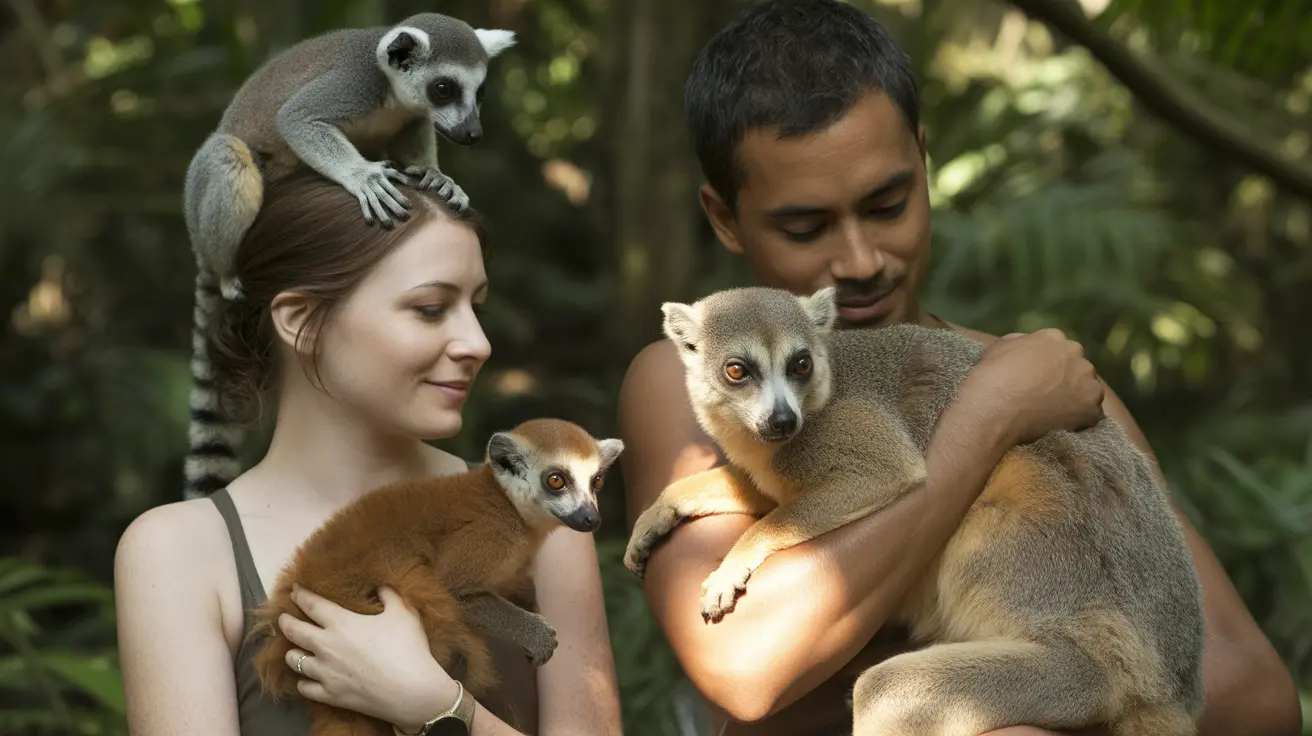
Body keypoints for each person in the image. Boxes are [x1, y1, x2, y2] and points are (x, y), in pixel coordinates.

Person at [617, 1, 1302, 735]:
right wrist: (990, 415)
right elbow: (748, 665)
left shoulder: (1051, 385)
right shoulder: (692, 382)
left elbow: (1250, 694)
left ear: (924, 160)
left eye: (887, 204)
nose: (860, 262)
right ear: (724, 218)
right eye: (806, 227)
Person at [114, 170, 623, 735]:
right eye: (431, 308)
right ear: (301, 321)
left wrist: (437, 708)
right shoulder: (179, 553)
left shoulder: (548, 525)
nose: (479, 343)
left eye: (476, 305)